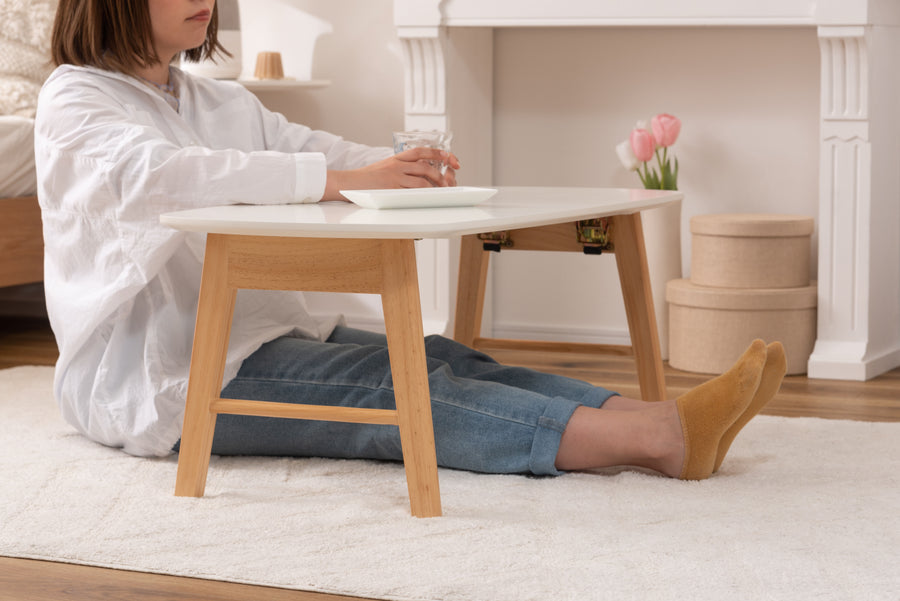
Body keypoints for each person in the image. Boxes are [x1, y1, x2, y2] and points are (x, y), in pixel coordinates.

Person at [35, 0, 786, 483]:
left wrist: (394, 165)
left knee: (437, 354)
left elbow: (306, 143)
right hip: (157, 372)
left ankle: (649, 412)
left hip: (255, 330)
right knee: (390, 391)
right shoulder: (75, 100)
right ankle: (657, 441)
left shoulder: (215, 97)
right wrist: (346, 177)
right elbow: (169, 175)